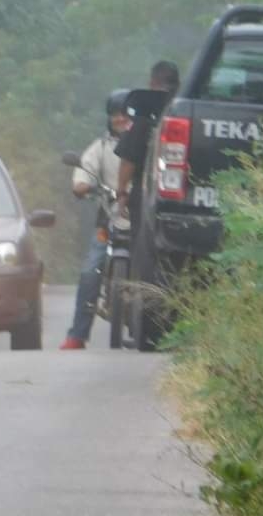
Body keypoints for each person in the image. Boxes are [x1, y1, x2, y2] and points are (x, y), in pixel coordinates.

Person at [59, 89, 133, 350]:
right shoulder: (101, 147)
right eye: (116, 115)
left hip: (143, 221)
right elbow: (83, 174)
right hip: (109, 220)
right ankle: (77, 335)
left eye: (126, 114)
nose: (121, 119)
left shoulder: (150, 144)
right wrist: (83, 185)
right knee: (91, 270)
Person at [115, 60, 181, 230]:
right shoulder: (184, 111)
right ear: (178, 85)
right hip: (181, 194)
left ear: (152, 83)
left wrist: (122, 192)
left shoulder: (143, 112)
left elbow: (128, 159)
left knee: (143, 248)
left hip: (146, 191)